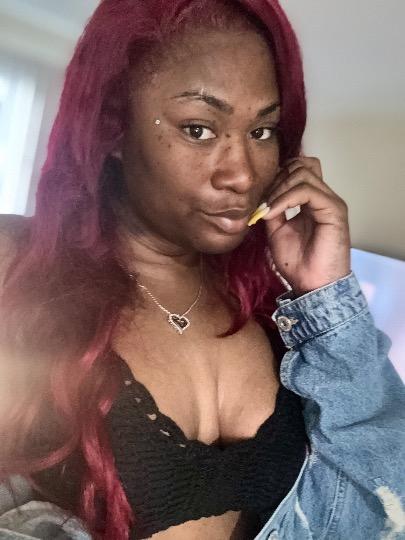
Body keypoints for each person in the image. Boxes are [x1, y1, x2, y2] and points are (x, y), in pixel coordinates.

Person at [0, 0, 404, 539]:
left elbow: (387, 498)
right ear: (113, 127)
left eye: (263, 132)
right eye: (198, 129)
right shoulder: (17, 271)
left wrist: (327, 295)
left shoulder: (278, 321)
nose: (243, 174)